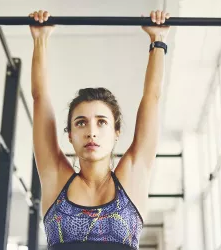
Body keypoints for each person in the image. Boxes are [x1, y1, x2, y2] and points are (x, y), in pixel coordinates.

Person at [29, 9, 170, 250]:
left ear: (116, 132)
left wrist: (157, 40)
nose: (91, 131)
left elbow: (152, 98)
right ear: (70, 136)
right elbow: (40, 98)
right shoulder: (55, 177)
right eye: (81, 122)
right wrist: (40, 39)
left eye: (101, 121)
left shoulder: (133, 176)